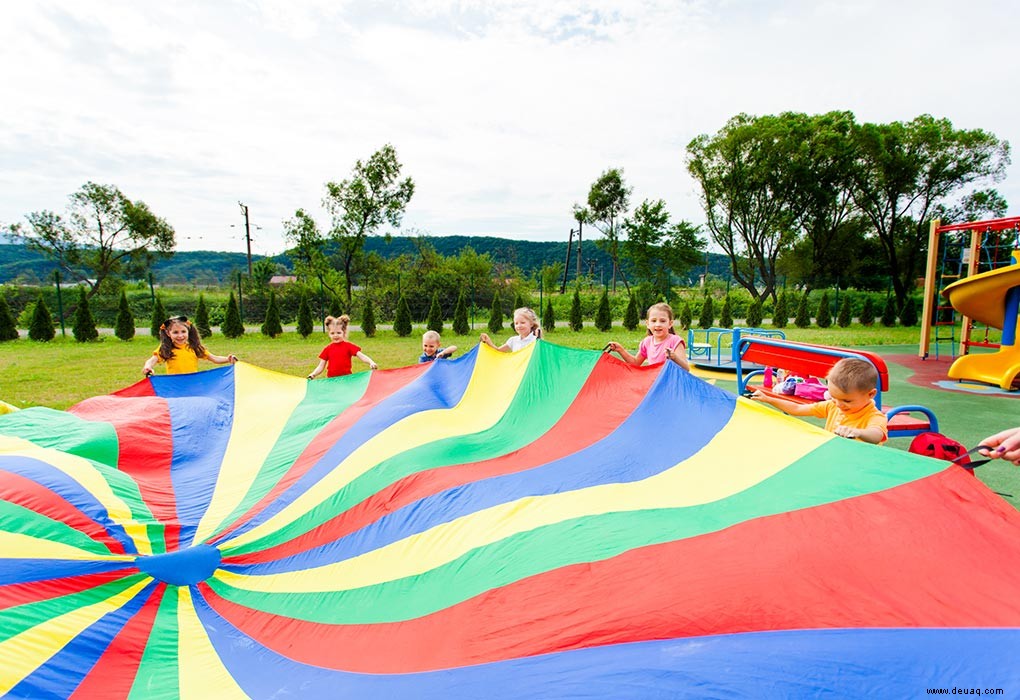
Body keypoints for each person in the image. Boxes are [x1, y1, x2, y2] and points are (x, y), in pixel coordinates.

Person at [750, 357, 888, 444]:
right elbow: (797, 409)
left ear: (871, 394)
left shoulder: (873, 416)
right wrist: (768, 399)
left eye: (847, 401)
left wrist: (858, 432)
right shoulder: (832, 406)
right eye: (834, 397)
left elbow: (876, 435)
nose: (839, 404)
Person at [605, 302, 690, 371]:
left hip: (671, 386)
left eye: (662, 321)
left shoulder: (675, 341)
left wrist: (674, 357)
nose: (658, 324)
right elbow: (635, 363)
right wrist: (621, 350)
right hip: (655, 384)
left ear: (670, 324)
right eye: (653, 321)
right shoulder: (647, 342)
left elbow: (686, 368)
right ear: (647, 324)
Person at [142, 315, 237, 376]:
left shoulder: (194, 347)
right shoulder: (166, 348)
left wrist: (228, 359)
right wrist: (148, 367)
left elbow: (214, 358)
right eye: (175, 332)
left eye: (183, 331)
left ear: (188, 331)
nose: (180, 336)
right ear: (168, 333)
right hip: (174, 384)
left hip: (192, 383)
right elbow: (152, 360)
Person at [307, 314, 378, 379]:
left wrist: (371, 362)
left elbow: (361, 356)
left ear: (344, 332)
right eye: (332, 333)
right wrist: (313, 374)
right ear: (329, 334)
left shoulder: (348, 346)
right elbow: (321, 366)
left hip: (347, 379)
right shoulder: (327, 349)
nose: (335, 335)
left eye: (338, 333)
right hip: (332, 380)